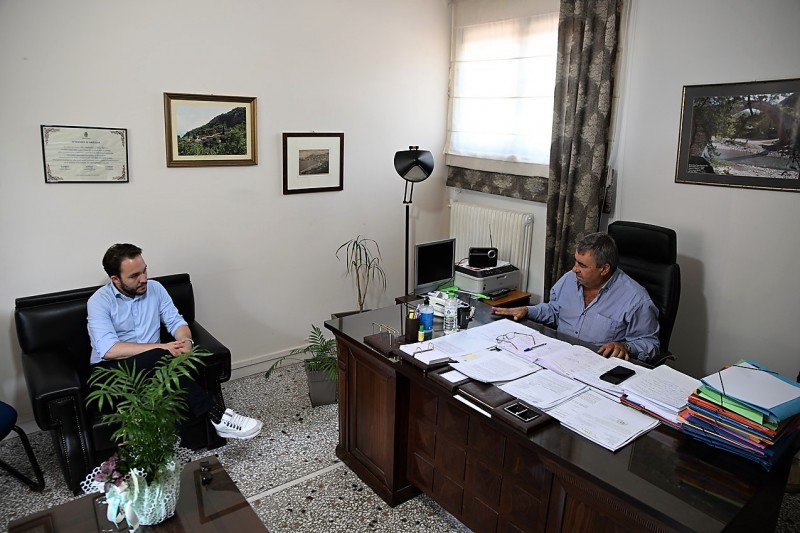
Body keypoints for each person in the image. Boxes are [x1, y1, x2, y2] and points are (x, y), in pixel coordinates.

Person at [87, 243, 262, 440]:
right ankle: (218, 416)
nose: (143, 279)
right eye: (134, 276)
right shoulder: (99, 302)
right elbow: (109, 349)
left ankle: (208, 429)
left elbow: (176, 322)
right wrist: (163, 348)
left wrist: (186, 341)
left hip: (154, 365)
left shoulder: (155, 289)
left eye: (144, 271)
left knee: (172, 360)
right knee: (161, 357)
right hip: (111, 372)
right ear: (115, 279)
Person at [492, 232, 660, 363]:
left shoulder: (636, 300)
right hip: (557, 355)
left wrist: (625, 347)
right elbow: (555, 310)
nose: (574, 269)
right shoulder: (570, 279)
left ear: (604, 269)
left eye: (582, 265)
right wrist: (527, 310)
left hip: (597, 364)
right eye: (576, 262)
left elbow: (650, 344)